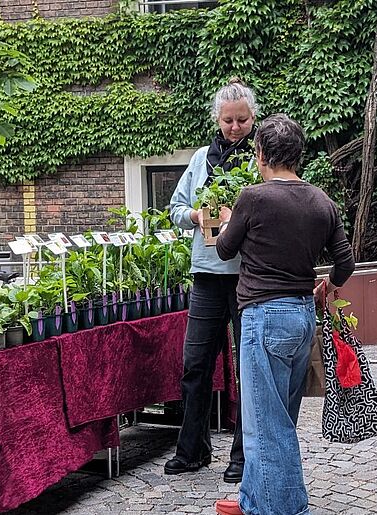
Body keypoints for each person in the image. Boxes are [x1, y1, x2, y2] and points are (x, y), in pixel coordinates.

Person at [212, 114, 356, 515]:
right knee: (277, 419)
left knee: (265, 427)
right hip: (302, 316)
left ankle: (290, 510)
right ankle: (252, 500)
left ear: (260, 154)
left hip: (263, 317)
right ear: (299, 156)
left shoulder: (253, 198)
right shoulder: (321, 201)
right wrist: (326, 286)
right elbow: (345, 264)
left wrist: (227, 223)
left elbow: (225, 250)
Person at [165, 79, 260, 483]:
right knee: (195, 364)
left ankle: (242, 456)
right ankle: (192, 449)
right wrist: (197, 217)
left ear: (253, 119)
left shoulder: (260, 162)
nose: (235, 127)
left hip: (246, 277)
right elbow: (174, 208)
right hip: (206, 274)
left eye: (241, 120)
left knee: (247, 368)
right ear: (217, 120)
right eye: (228, 121)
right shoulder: (201, 159)